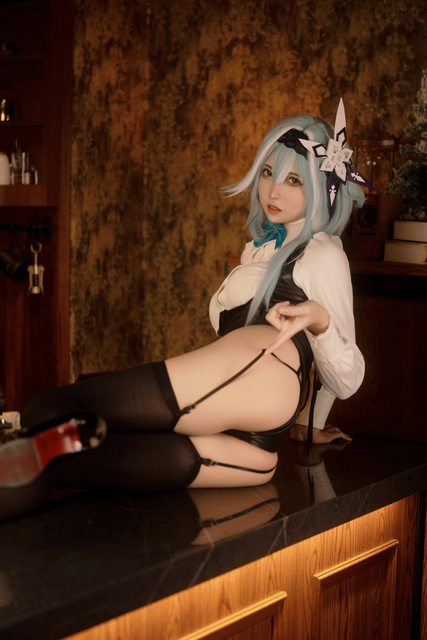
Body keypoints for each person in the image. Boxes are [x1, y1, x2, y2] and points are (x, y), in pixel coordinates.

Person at [0, 99, 367, 521]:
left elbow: (349, 378)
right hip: (254, 442)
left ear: (322, 188)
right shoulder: (260, 248)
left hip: (265, 376)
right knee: (59, 461)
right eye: (268, 173)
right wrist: (307, 424)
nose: (273, 191)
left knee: (48, 409)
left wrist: (320, 320)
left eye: (294, 180)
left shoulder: (322, 252)